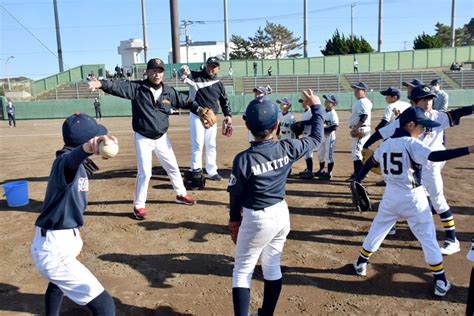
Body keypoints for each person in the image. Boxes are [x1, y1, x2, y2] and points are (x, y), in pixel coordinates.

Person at [352, 106, 473, 297]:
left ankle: (360, 263)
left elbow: (370, 163)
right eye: (422, 126)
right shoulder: (411, 144)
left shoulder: (386, 144)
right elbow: (435, 156)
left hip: (390, 196)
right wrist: (469, 149)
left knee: (378, 229)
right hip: (414, 198)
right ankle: (440, 280)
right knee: (427, 237)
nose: (425, 130)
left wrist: (358, 178)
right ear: (410, 124)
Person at [227, 89, 324, 316]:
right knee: (271, 266)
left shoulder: (243, 159)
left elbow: (236, 195)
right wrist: (316, 107)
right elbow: (316, 137)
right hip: (281, 213)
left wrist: (234, 219)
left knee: (242, 270)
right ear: (276, 125)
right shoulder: (287, 147)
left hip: (256, 217)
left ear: (248, 127)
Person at [362, 85, 473, 254]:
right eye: (424, 99)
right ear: (413, 102)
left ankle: (452, 239)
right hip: (413, 167)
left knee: (437, 199)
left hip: (431, 166)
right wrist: (367, 144)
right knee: (405, 194)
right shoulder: (406, 119)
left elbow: (460, 112)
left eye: (430, 99)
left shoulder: (438, 117)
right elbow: (382, 132)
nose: (429, 102)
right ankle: (390, 223)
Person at [88, 58, 196, 220]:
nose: (156, 74)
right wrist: (101, 84)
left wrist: (199, 108)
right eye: (153, 70)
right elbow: (118, 87)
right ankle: (139, 205)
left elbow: (185, 101)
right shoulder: (138, 88)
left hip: (162, 138)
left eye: (159, 71)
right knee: (145, 173)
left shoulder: (169, 91)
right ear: (147, 72)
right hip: (143, 137)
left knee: (173, 167)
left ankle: (181, 194)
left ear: (163, 73)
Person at [31, 113, 116, 315]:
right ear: (85, 142)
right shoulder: (64, 164)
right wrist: (87, 149)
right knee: (105, 306)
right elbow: (70, 161)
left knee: (58, 284)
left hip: (58, 240)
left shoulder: (77, 165)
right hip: (55, 247)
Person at [180, 56, 232, 181]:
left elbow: (224, 100)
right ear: (205, 65)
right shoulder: (196, 76)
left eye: (214, 67)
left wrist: (228, 115)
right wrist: (183, 69)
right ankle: (196, 169)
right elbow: (183, 72)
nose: (211, 69)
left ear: (218, 69)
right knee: (197, 143)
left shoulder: (218, 83)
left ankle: (212, 171)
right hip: (197, 115)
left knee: (211, 144)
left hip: (211, 117)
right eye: (209, 66)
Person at [348, 81, 372, 179]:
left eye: (358, 89)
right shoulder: (363, 101)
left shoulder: (362, 102)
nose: (355, 91)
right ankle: (358, 173)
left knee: (356, 153)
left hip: (361, 129)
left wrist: (356, 128)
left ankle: (359, 175)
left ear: (364, 91)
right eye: (355, 89)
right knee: (358, 152)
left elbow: (364, 116)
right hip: (362, 127)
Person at [314, 94, 339, 180]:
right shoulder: (322, 111)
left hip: (330, 136)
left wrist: (324, 129)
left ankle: (329, 173)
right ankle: (321, 170)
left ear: (334, 104)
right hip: (322, 136)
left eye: (329, 101)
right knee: (320, 154)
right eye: (326, 100)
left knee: (329, 155)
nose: (326, 102)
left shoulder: (333, 114)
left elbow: (335, 126)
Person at [297, 97, 317, 179]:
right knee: (306, 154)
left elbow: (312, 121)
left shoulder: (310, 111)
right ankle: (308, 169)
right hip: (305, 134)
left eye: (304, 101)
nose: (302, 103)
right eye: (302, 102)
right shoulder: (305, 112)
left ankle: (310, 171)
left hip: (309, 134)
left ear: (308, 102)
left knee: (308, 153)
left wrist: (302, 122)